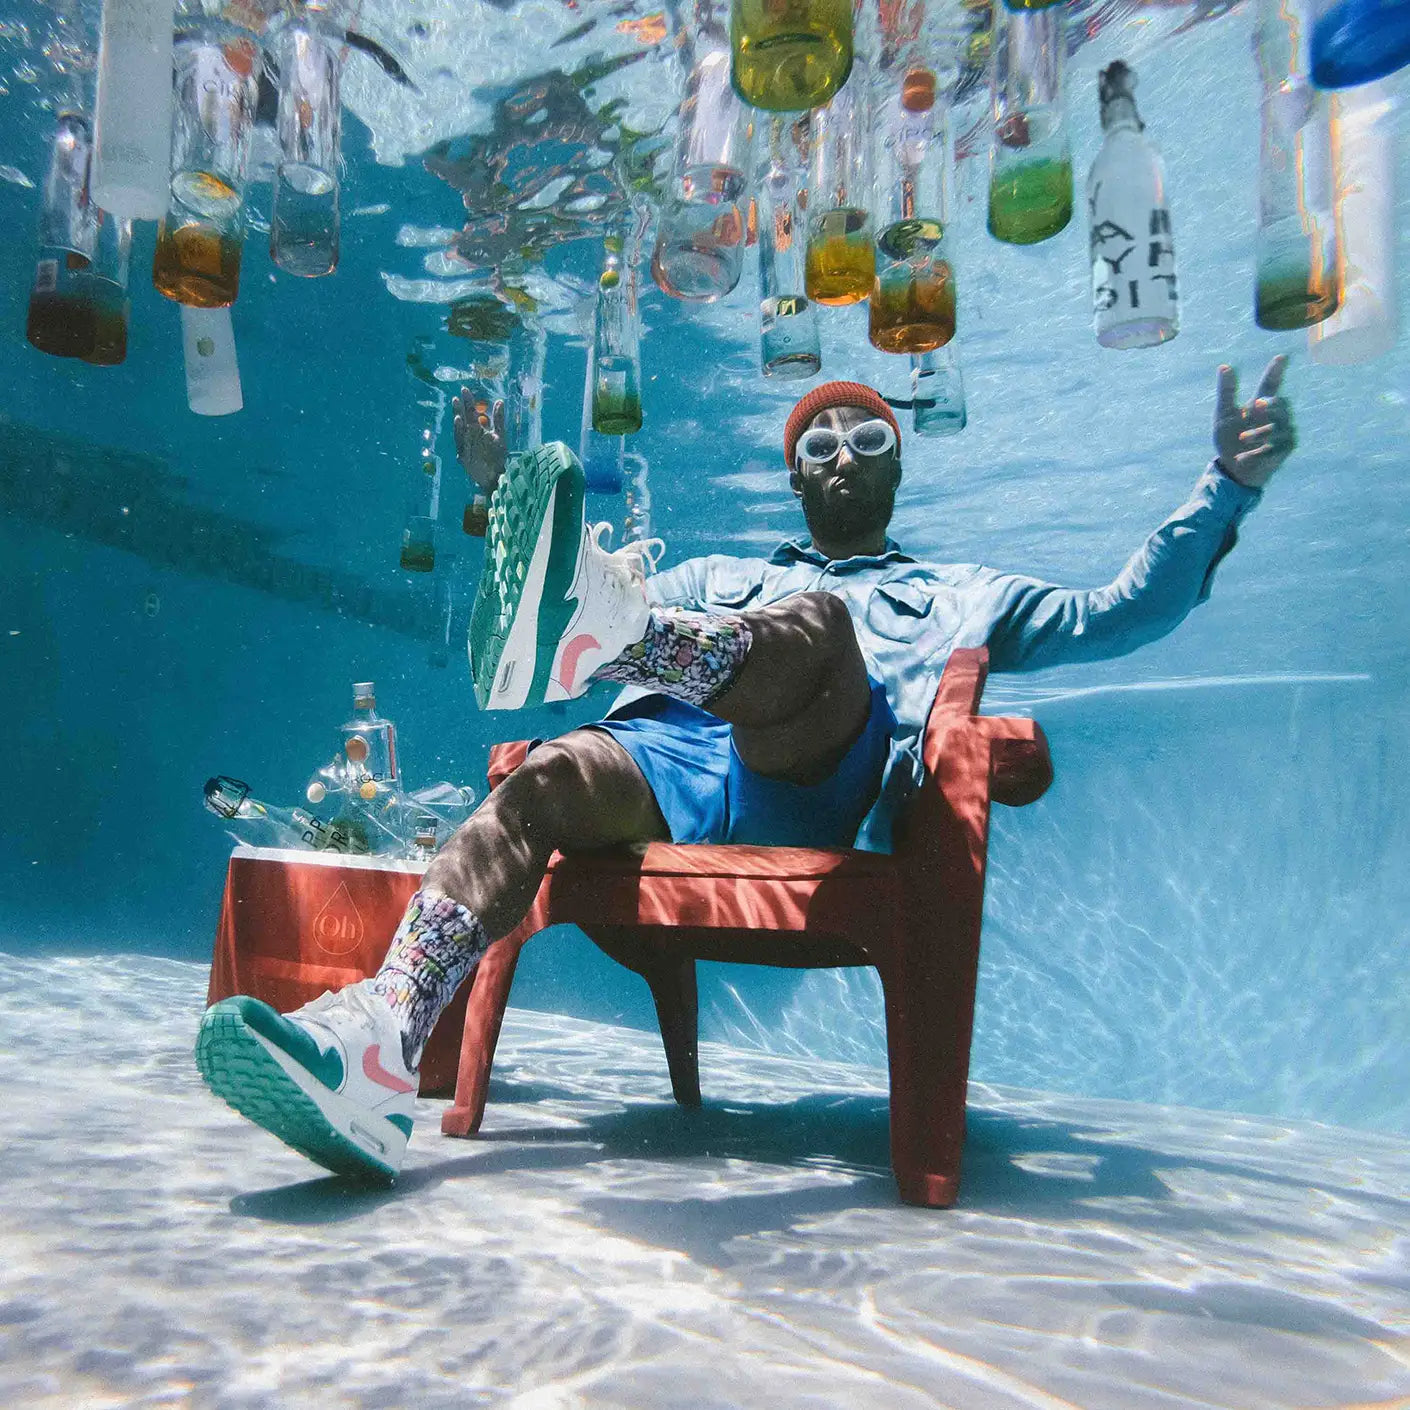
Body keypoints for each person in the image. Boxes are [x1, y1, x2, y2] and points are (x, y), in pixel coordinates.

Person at [195, 359, 1297, 1183]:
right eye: (817, 445)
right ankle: (382, 1042)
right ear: (794, 477)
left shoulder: (965, 589)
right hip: (669, 760)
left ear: (897, 461)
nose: (841, 456)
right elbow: (559, 557)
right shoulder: (722, 565)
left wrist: (1226, 487)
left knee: (812, 622)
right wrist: (497, 487)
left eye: (864, 436)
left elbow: (1121, 612)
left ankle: (619, 636)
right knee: (527, 792)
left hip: (810, 775)